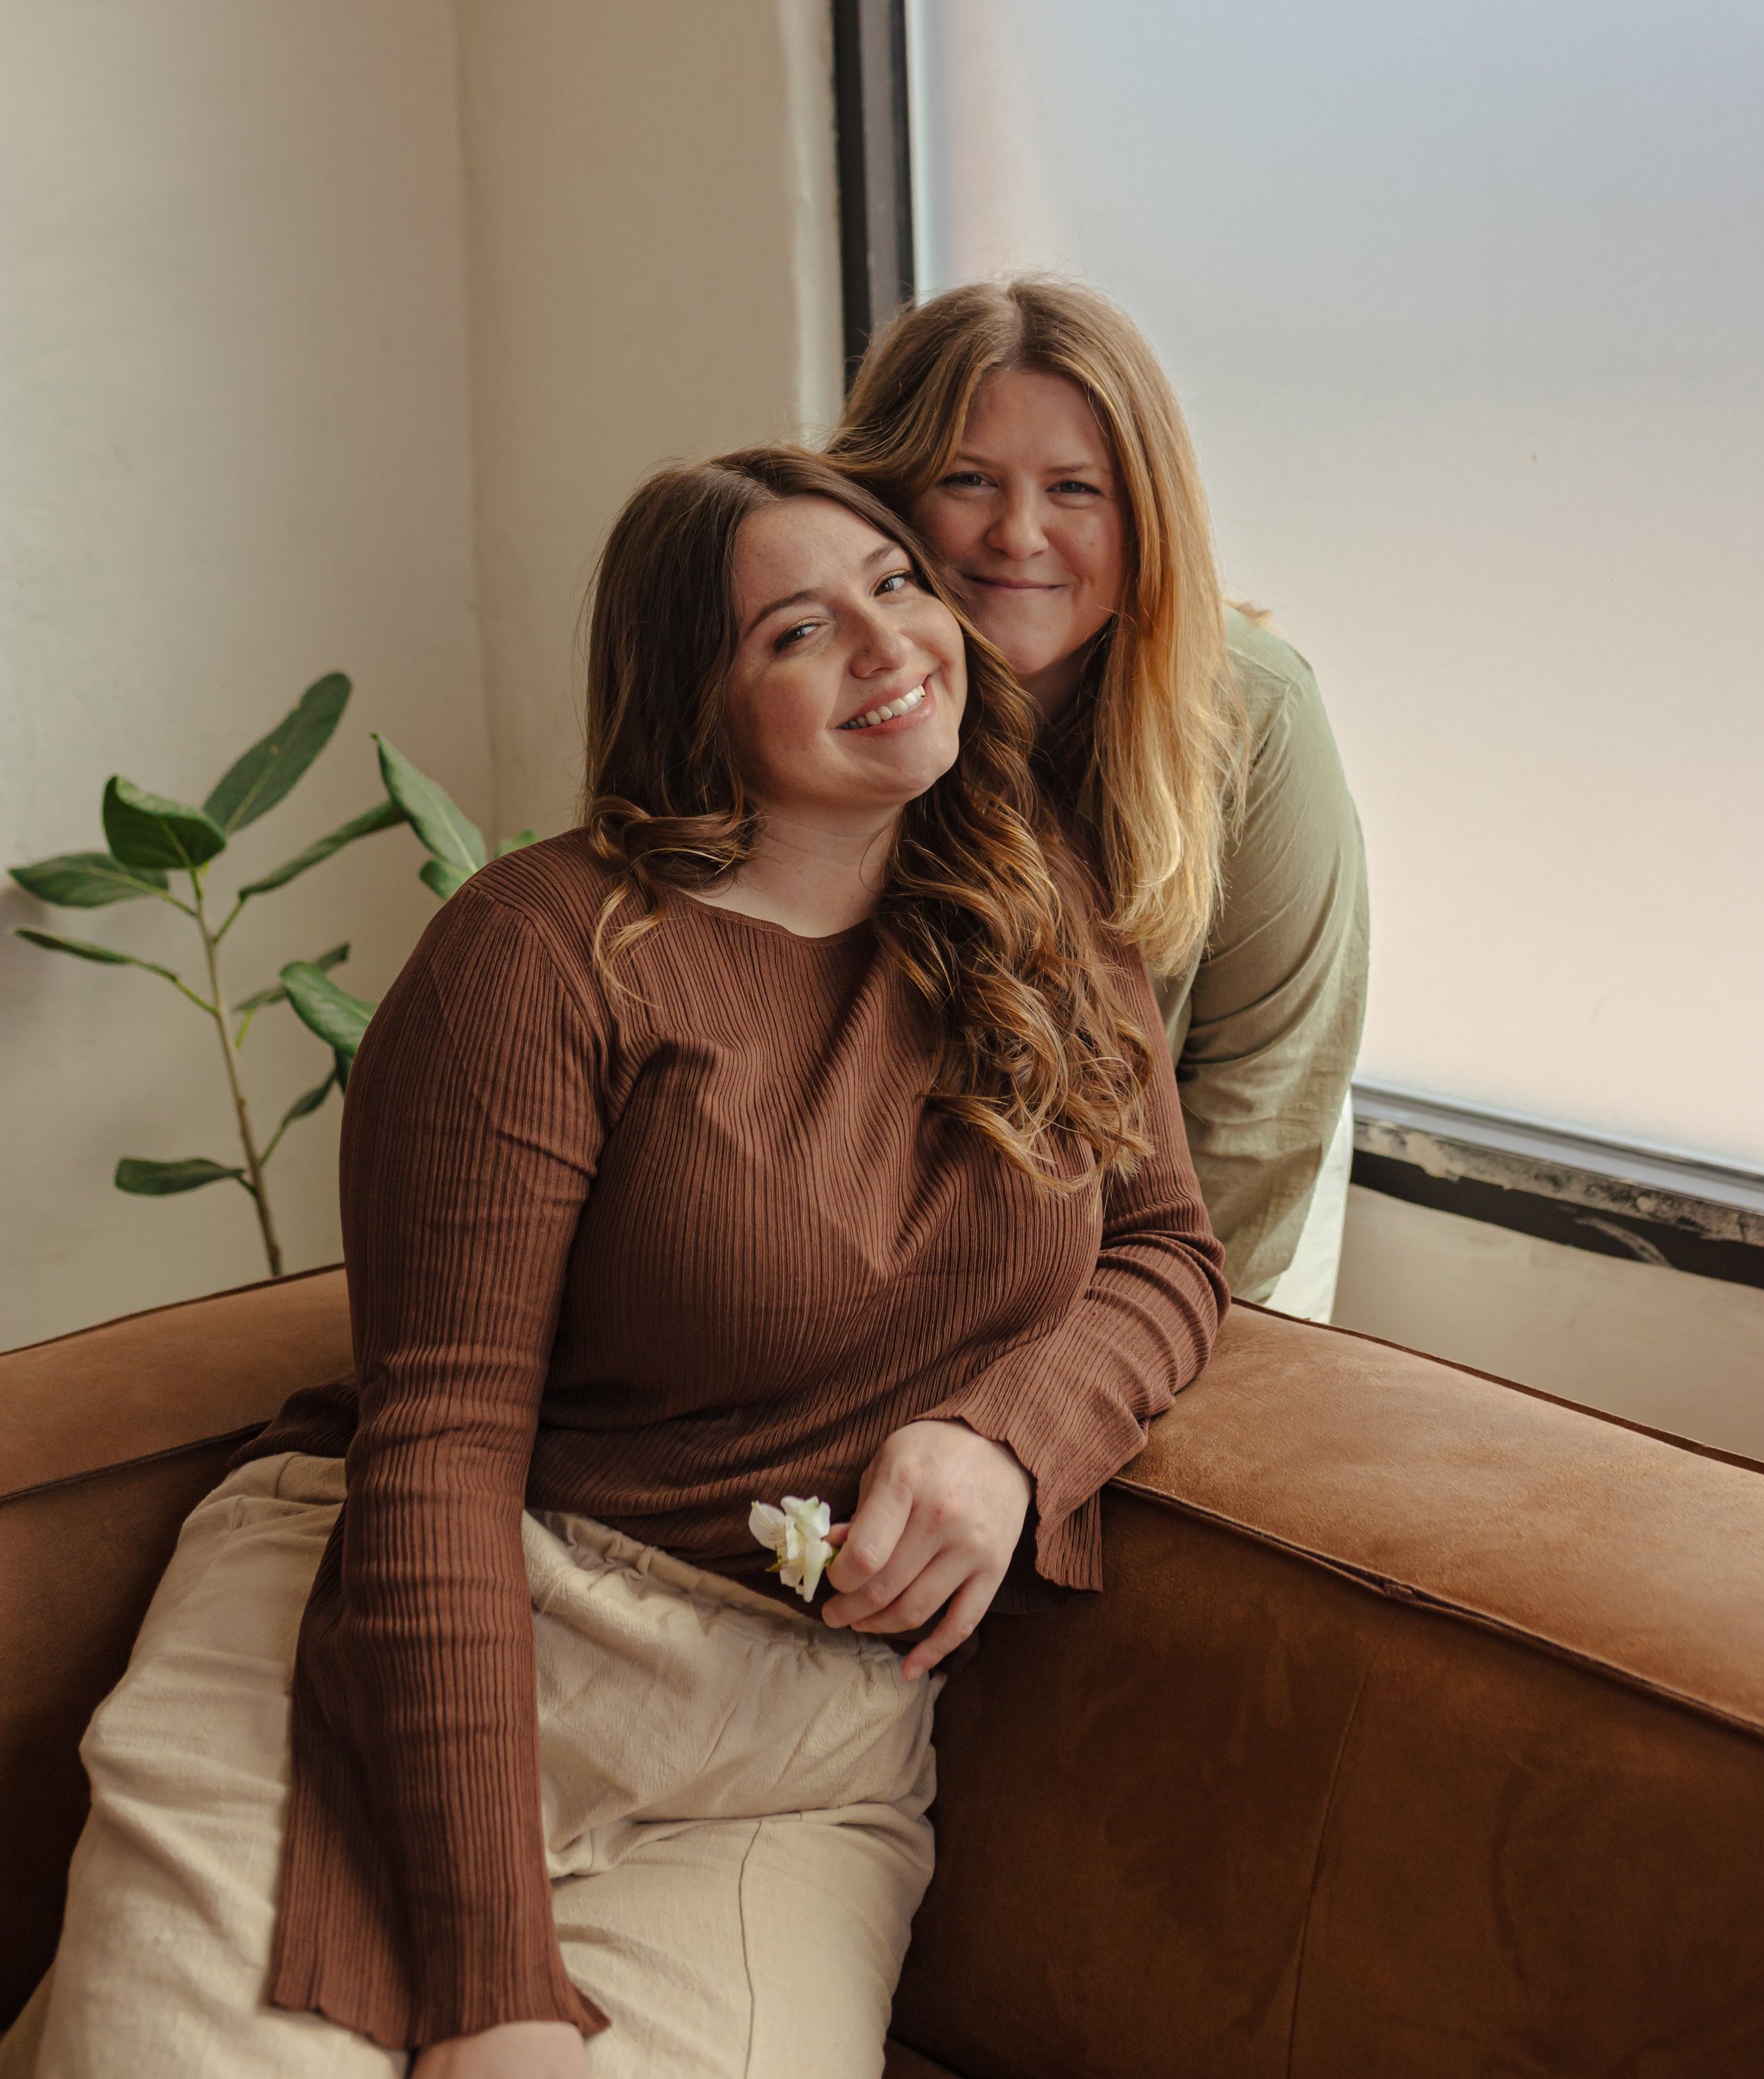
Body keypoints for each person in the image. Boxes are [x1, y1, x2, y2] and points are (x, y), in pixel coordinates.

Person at [19, 451, 1223, 2079]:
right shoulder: (541, 952)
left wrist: (1012, 1441)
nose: (888, 645)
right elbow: (441, 1450)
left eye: (894, 584)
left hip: (787, 1753)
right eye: (796, 632)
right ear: (695, 700)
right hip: (428, 1634)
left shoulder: (1045, 916)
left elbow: (1164, 1251)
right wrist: (491, 1993)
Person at [830, 279, 1368, 1318]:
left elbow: (1264, 1098)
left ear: (1145, 513)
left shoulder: (1254, 710)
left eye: (1075, 489)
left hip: (1163, 1252)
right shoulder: (807, 696)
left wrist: (1152, 1338)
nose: (1018, 534)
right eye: (968, 479)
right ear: (881, 496)